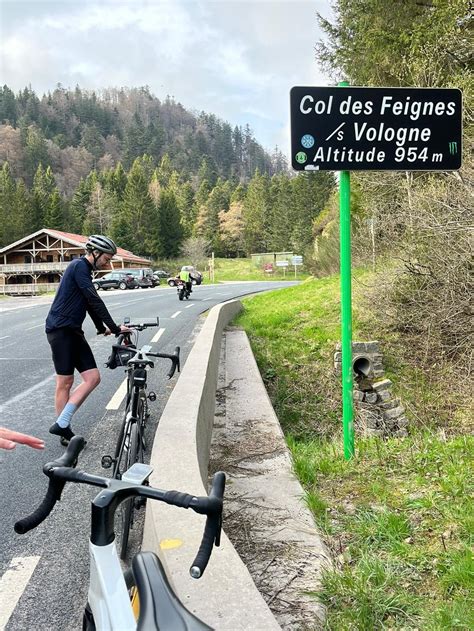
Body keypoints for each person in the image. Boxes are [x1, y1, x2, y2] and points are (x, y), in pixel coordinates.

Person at [45, 235, 130, 446]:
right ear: (95, 253)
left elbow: (88, 303)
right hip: (61, 329)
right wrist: (114, 327)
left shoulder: (84, 271)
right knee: (65, 381)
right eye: (107, 258)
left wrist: (102, 328)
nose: (108, 263)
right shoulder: (78, 266)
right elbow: (93, 299)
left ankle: (62, 423)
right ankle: (64, 430)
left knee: (92, 377)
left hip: (72, 330)